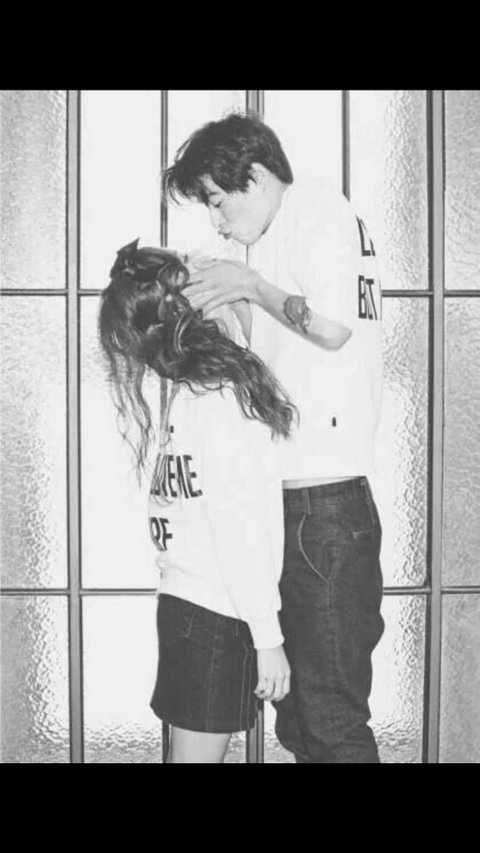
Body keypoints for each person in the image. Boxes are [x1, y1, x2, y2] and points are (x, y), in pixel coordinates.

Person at [163, 112, 385, 763]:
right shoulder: (269, 238)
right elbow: (263, 342)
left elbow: (333, 327)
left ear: (255, 176)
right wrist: (224, 292)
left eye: (217, 199)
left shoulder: (315, 207)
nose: (217, 220)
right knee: (303, 721)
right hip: (299, 504)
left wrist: (250, 287)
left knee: (329, 718)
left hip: (324, 506)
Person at [98, 239, 295, 763]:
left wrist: (227, 288)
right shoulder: (222, 398)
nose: (208, 268)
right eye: (197, 273)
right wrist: (267, 637)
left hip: (189, 605)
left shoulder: (195, 393)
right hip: (217, 612)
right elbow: (239, 525)